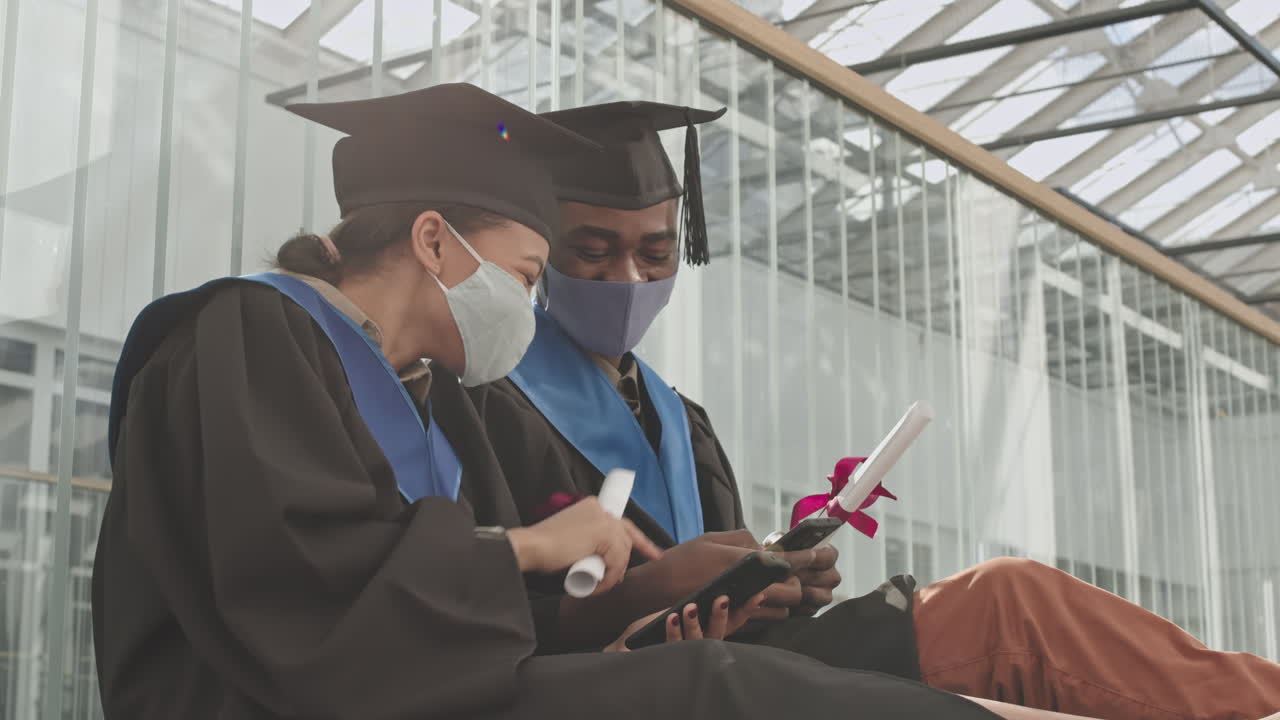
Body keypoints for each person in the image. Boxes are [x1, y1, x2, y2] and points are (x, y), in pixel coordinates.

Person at [90, 83, 1006, 720]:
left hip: (402, 697)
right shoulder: (245, 334)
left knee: (706, 675)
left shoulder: (436, 400)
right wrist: (530, 546)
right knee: (716, 695)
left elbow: (482, 623)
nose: (529, 308)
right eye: (532, 273)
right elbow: (297, 595)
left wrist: (642, 617)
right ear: (436, 244)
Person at [465, 100, 1280, 720]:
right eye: (592, 251)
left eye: (655, 251)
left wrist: (785, 578)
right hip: (639, 684)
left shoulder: (682, 420)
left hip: (751, 660)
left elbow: (732, 599)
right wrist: (649, 593)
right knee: (1006, 607)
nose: (629, 280)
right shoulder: (490, 403)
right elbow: (484, 620)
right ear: (542, 249)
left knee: (1009, 590)